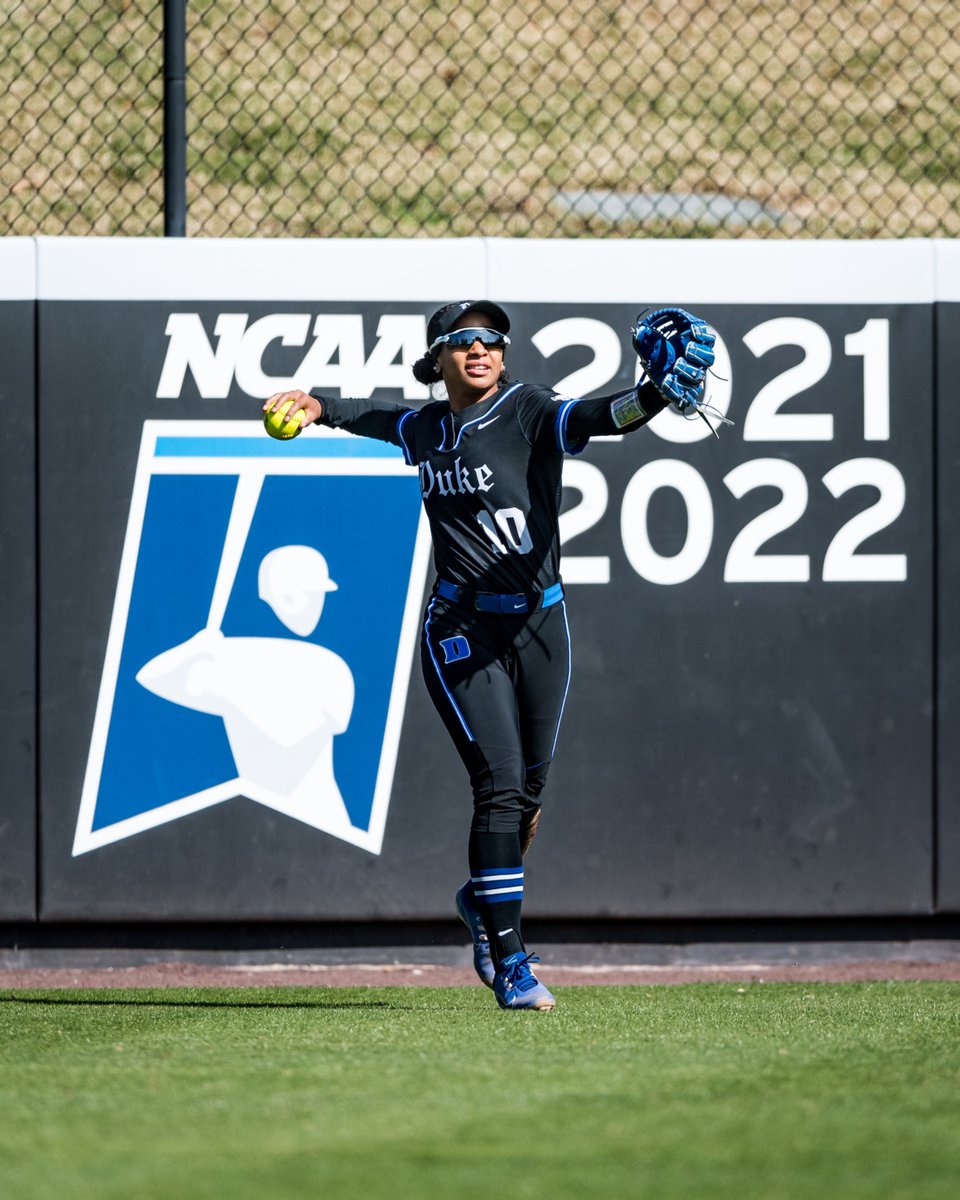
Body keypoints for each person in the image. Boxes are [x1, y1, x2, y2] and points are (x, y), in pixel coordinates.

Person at [263, 299, 675, 1011]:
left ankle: (481, 898)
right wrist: (317, 405)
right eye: (465, 341)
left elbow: (600, 418)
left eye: (492, 339)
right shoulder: (424, 426)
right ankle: (509, 960)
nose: (481, 349)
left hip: (542, 625)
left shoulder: (528, 409)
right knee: (502, 785)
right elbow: (369, 414)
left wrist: (655, 395)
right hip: (459, 627)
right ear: (440, 357)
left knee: (530, 800)